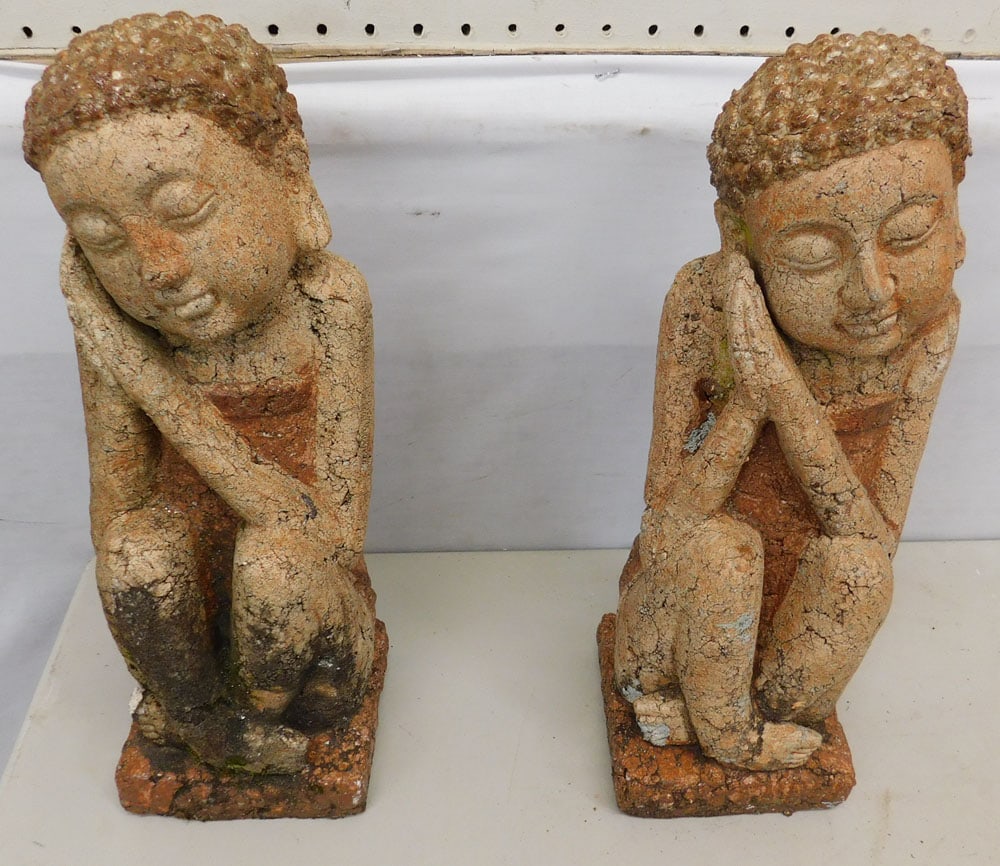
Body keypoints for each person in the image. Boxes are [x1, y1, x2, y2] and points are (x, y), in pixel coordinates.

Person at [23, 12, 376, 773]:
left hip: (306, 633)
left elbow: (328, 535)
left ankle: (243, 723)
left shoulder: (328, 303)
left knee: (276, 566)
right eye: (102, 239)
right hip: (190, 641)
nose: (157, 268)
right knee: (134, 552)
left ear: (288, 175)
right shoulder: (117, 331)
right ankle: (202, 721)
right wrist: (115, 354)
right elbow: (116, 521)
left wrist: (143, 372)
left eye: (185, 211)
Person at [613, 32, 970, 770]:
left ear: (956, 223)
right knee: (723, 551)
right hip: (679, 614)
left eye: (909, 234)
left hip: (795, 626)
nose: (872, 290)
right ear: (738, 239)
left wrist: (785, 396)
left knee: (860, 575)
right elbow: (669, 529)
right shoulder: (706, 302)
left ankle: (769, 713)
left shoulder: (930, 331)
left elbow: (872, 539)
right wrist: (748, 405)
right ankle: (727, 736)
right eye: (811, 255)